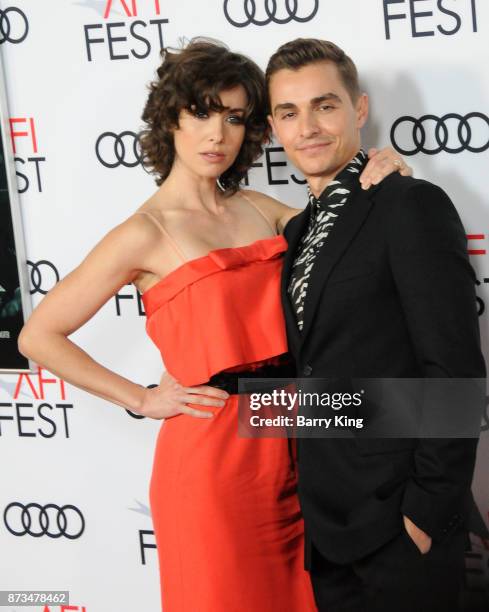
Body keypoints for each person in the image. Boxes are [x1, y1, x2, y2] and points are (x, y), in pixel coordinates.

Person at [18, 39, 411, 612]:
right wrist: (142, 397)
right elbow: (37, 336)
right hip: (214, 456)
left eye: (233, 118)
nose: (218, 135)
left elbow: (350, 239)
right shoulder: (143, 232)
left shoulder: (262, 208)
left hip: (298, 429)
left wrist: (386, 168)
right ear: (170, 119)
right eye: (201, 112)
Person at [265, 38, 486, 612]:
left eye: (325, 106)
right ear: (273, 127)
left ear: (359, 110)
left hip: (399, 525)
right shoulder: (297, 235)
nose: (307, 127)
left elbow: (455, 369)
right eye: (289, 113)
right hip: (326, 526)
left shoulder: (409, 205)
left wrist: (426, 510)